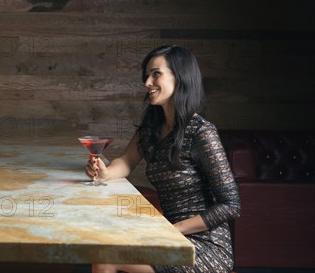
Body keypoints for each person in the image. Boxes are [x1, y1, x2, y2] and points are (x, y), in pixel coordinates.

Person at [86, 45, 241, 273]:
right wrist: (105, 172)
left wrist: (171, 229)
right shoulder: (152, 127)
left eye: (155, 73)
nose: (147, 82)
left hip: (205, 246)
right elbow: (126, 162)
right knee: (106, 241)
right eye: (146, 75)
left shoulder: (201, 132)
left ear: (180, 77)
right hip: (169, 234)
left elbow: (231, 205)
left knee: (107, 257)